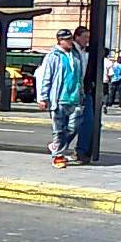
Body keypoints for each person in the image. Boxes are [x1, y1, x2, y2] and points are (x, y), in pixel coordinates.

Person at [36, 29, 83, 169]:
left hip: (74, 98)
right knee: (59, 130)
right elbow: (47, 77)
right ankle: (58, 156)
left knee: (74, 127)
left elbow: (79, 76)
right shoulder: (53, 56)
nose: (70, 41)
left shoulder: (75, 55)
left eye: (71, 39)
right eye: (67, 39)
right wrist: (43, 97)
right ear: (60, 41)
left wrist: (81, 93)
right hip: (59, 99)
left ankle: (56, 146)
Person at [72, 25, 96, 164]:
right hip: (72, 92)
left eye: (88, 37)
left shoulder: (86, 52)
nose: (87, 40)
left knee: (88, 121)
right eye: (84, 37)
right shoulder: (70, 51)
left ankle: (81, 151)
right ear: (76, 37)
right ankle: (59, 148)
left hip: (85, 91)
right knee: (71, 124)